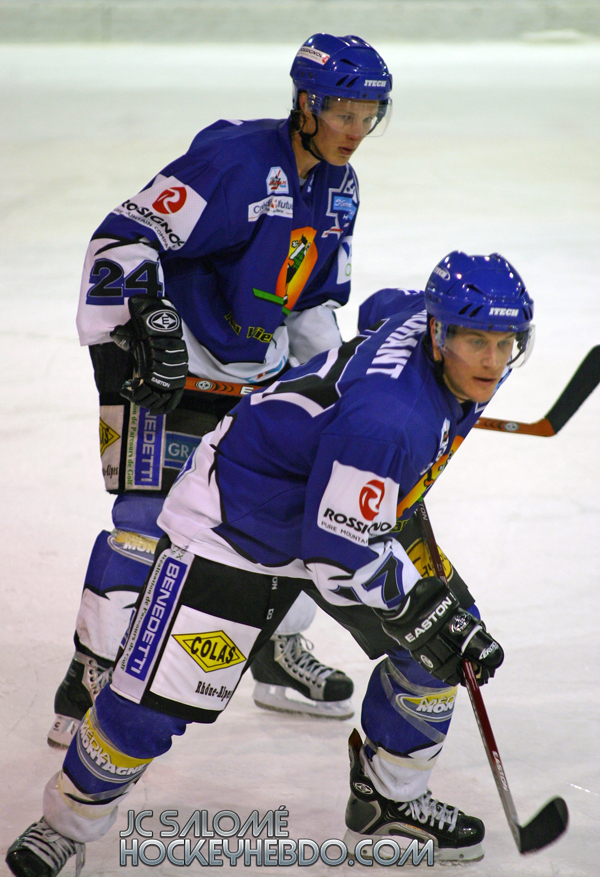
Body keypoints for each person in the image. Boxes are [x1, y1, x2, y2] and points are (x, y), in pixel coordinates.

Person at [6, 251, 536, 876]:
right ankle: (64, 822)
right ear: (439, 333)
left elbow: (379, 309)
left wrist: (427, 615)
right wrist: (417, 607)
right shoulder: (391, 422)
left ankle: (389, 803)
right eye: (476, 340)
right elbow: (335, 549)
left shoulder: (418, 323)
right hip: (238, 518)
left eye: (507, 343)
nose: (493, 361)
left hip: (343, 498)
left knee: (440, 645)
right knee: (151, 702)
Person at [48, 33, 394, 748]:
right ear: (306, 103)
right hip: (166, 368)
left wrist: (334, 385)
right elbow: (123, 236)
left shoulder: (340, 189)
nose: (355, 131)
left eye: (369, 115)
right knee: (144, 519)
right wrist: (148, 317)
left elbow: (310, 301)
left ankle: (271, 652)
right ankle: (91, 671)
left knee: (291, 511)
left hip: (250, 376)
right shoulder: (235, 159)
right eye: (342, 112)